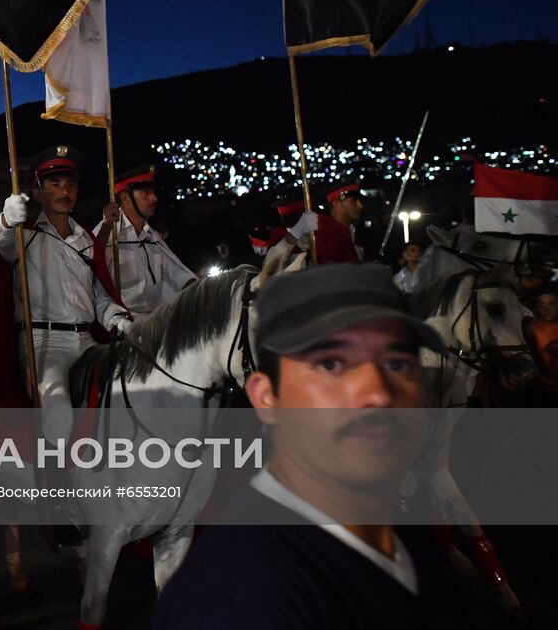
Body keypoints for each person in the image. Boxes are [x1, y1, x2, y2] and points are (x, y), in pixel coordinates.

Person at [155, 264, 488, 629]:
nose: (377, 394)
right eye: (331, 366)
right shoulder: (238, 592)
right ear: (266, 397)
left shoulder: (411, 549)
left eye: (395, 363)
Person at [0, 146, 132, 442]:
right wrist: (6, 220)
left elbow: (101, 296)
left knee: (131, 397)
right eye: (54, 184)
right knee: (58, 416)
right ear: (37, 191)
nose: (64, 191)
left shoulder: (86, 238)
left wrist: (118, 318)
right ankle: (58, 483)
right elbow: (3, 245)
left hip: (88, 341)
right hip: (44, 345)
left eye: (70, 184)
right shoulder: (24, 235)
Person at [92, 164, 197, 316]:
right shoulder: (108, 233)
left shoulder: (151, 236)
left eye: (153, 192)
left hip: (154, 322)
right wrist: (107, 225)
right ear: (125, 198)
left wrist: (202, 289)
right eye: (145, 193)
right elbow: (92, 268)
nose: (154, 198)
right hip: (121, 324)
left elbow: (177, 274)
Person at [310, 180, 366, 264]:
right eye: (353, 201)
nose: (360, 206)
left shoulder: (351, 232)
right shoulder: (328, 236)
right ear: (336, 204)